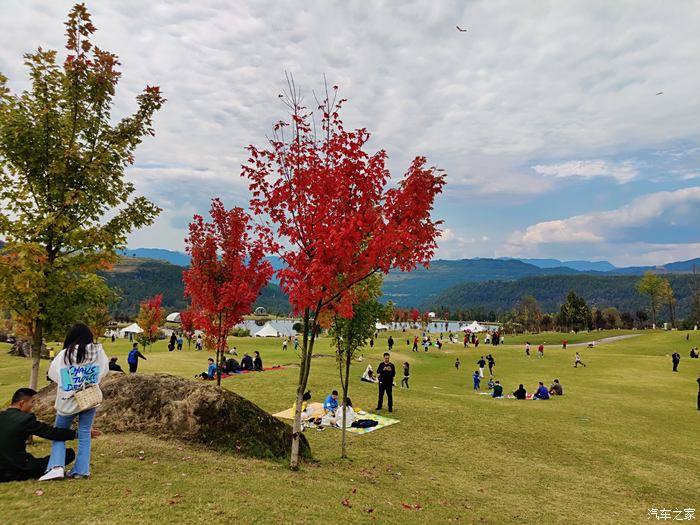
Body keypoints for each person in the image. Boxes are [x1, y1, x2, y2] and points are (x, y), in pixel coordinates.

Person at [40, 324, 108, 481]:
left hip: (67, 401)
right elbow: (103, 371)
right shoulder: (98, 352)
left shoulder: (65, 354)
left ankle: (56, 467)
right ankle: (82, 471)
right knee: (85, 433)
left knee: (59, 433)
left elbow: (53, 374)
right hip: (89, 399)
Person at [0, 388, 87, 482]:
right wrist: (77, 434)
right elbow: (51, 433)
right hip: (17, 470)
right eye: (31, 402)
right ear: (22, 403)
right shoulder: (25, 419)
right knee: (69, 454)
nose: (32, 406)